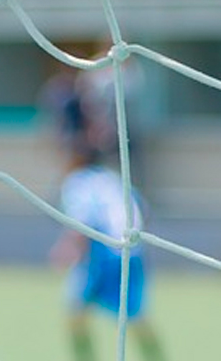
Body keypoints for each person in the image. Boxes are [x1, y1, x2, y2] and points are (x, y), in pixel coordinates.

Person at [51, 120, 164, 361]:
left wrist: (67, 249)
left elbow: (84, 222)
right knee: (135, 315)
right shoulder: (113, 179)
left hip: (101, 253)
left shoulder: (77, 182)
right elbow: (142, 211)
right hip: (130, 252)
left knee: (74, 313)